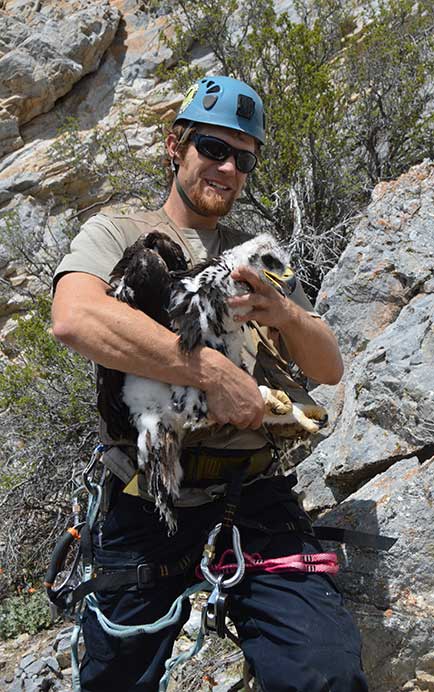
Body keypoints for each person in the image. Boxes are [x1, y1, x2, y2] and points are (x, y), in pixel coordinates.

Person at [52, 75, 368, 692]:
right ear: (176, 146)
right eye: (212, 150)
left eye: (242, 158)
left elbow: (329, 367)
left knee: (324, 674)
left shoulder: (257, 256)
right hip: (145, 497)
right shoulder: (119, 234)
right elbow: (74, 317)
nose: (227, 168)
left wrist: (287, 314)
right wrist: (210, 371)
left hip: (253, 496)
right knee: (114, 681)